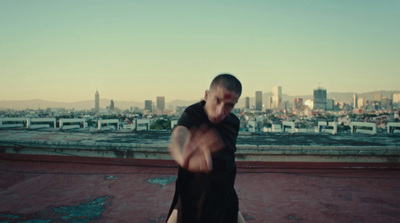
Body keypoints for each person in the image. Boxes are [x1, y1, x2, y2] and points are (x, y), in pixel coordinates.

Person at [166, 74, 246, 223]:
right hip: (194, 197)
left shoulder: (233, 122)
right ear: (207, 95)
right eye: (217, 100)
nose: (220, 110)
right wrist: (183, 155)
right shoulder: (193, 114)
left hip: (225, 196)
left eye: (229, 105)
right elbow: (179, 135)